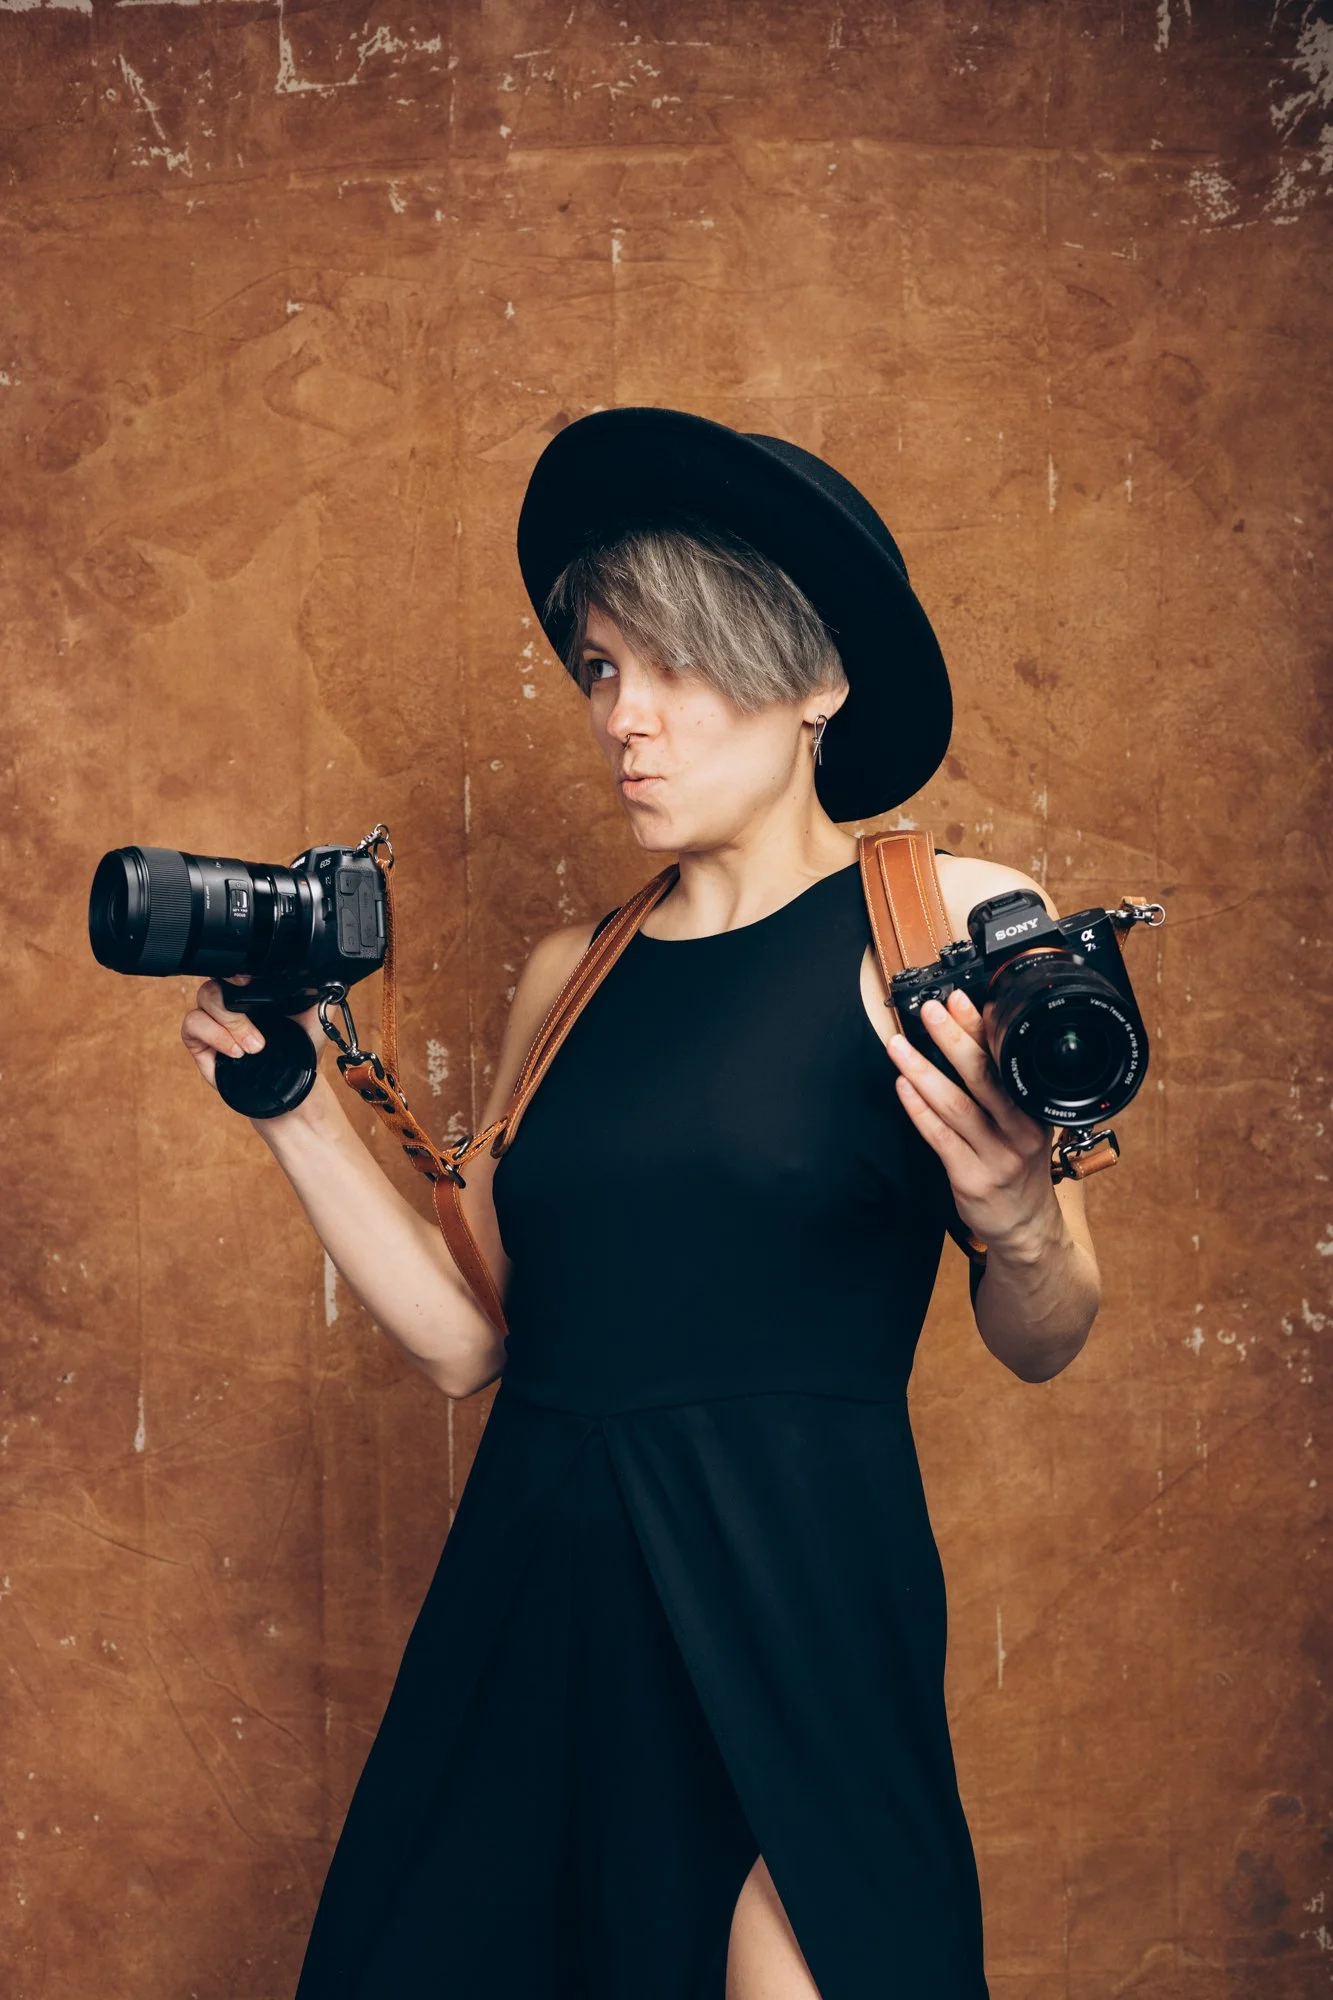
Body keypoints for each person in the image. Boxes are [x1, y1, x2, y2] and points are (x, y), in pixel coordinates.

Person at [181, 408, 1102, 1999]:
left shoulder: (940, 917)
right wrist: (286, 1099)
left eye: (676, 663)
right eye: (604, 672)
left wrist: (1020, 1216)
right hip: (540, 1603)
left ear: (817, 681)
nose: (627, 719)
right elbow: (473, 1341)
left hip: (794, 1603)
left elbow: (1051, 1330)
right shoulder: (572, 974)